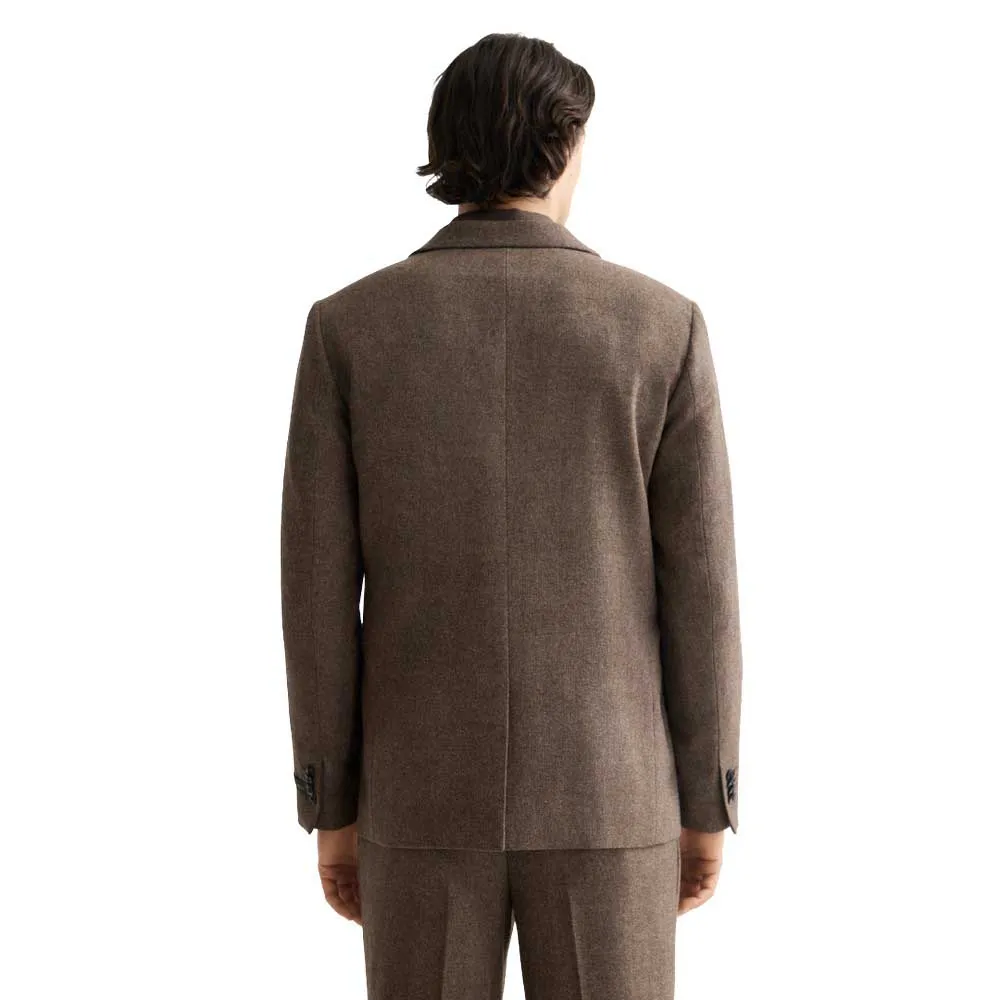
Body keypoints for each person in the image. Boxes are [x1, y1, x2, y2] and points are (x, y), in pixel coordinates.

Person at [279, 31, 743, 1000]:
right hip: (611, 793)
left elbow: (316, 593)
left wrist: (332, 798)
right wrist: (708, 798)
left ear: (443, 145)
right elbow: (700, 591)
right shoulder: (660, 326)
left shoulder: (350, 327)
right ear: (568, 143)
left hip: (417, 795)